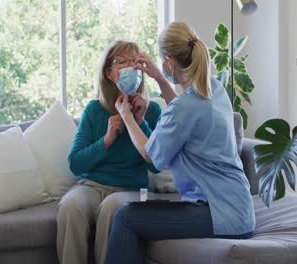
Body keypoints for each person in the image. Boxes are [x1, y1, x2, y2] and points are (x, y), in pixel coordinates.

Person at [104, 22, 256, 264]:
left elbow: (150, 154)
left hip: (215, 213)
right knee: (134, 215)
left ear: (170, 62)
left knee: (126, 217)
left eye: (162, 60)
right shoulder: (213, 88)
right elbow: (183, 112)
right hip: (239, 211)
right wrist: (160, 80)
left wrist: (127, 117)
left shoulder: (185, 107)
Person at [56, 40, 178, 264]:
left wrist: (140, 122)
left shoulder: (152, 110)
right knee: (70, 205)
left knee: (112, 208)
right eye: (123, 62)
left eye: (135, 61)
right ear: (110, 73)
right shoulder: (94, 110)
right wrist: (106, 140)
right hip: (93, 186)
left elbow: (156, 164)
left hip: (134, 189)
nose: (131, 67)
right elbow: (75, 163)